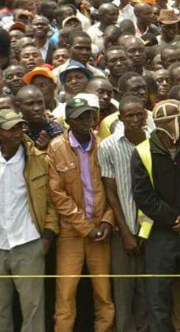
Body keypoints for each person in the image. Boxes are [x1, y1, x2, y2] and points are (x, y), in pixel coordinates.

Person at [131, 99, 180, 332]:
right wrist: (175, 219)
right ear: (169, 123)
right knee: (158, 297)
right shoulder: (142, 152)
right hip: (160, 235)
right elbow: (144, 196)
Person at [0, 109, 57, 332]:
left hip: (28, 242)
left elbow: (51, 202)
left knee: (33, 309)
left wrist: (47, 236)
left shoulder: (38, 158)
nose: (17, 132)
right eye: (10, 129)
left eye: (19, 127)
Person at [47, 93, 115, 332]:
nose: (86, 121)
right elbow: (58, 197)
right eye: (79, 118)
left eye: (89, 116)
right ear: (69, 122)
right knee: (65, 295)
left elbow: (111, 188)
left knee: (103, 293)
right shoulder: (56, 148)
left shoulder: (103, 145)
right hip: (71, 233)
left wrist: (107, 221)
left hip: (101, 231)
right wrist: (87, 228)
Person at [99, 95, 149, 332]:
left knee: (146, 290)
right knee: (123, 290)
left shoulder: (154, 140)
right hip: (122, 230)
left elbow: (155, 190)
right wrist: (127, 233)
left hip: (150, 229)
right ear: (121, 118)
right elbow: (111, 192)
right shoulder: (108, 146)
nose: (136, 119)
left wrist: (145, 229)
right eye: (130, 115)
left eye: (140, 114)